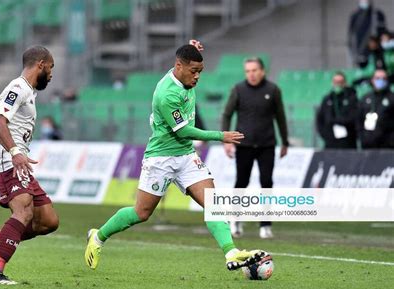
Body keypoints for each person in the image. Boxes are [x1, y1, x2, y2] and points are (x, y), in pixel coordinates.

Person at [84, 40, 266, 272]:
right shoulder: (167, 94)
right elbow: (184, 131)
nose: (198, 76)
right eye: (194, 71)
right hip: (161, 158)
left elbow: (186, 59)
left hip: (186, 155)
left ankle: (231, 252)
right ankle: (98, 237)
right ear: (178, 66)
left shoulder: (183, 72)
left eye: (200, 71)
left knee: (213, 203)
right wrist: (220, 136)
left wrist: (192, 49)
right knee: (141, 213)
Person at [0, 46, 59, 285]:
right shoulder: (17, 88)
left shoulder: (29, 92)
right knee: (23, 212)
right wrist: (13, 152)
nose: (51, 75)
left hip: (18, 163)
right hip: (7, 161)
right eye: (51, 68)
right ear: (41, 64)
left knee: (48, 221)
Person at [221, 57, 289, 239]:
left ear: (262, 71)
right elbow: (227, 115)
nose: (251, 74)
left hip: (267, 144)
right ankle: (236, 220)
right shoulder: (238, 90)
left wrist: (285, 141)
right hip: (244, 145)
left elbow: (280, 117)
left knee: (267, 182)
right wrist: (226, 140)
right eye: (247, 71)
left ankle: (265, 224)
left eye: (254, 70)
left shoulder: (273, 90)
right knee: (241, 183)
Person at [316, 72, 359, 149]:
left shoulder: (352, 98)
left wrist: (339, 121)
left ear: (345, 83)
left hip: (348, 142)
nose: (338, 84)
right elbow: (320, 119)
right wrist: (326, 135)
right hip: (330, 142)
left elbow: (355, 118)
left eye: (340, 82)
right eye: (336, 82)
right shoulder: (327, 99)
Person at [358, 69, 394, 148]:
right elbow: (359, 119)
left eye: (383, 78)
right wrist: (362, 137)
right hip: (368, 143)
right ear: (372, 80)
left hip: (387, 144)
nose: (380, 81)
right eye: (377, 78)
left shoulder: (392, 98)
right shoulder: (366, 98)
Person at [348, 0, 387, 68]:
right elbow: (351, 35)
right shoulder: (355, 16)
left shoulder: (377, 14)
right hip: (360, 50)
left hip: (376, 51)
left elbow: (383, 32)